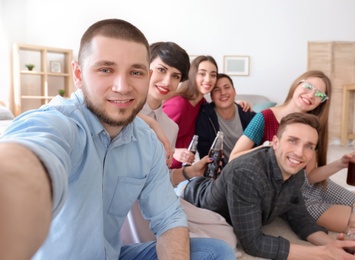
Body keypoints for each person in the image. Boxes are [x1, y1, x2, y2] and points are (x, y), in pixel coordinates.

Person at [0, 19, 235, 260]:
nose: (122, 87)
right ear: (79, 74)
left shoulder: (148, 141)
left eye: (135, 72)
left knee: (215, 250)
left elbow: (168, 218)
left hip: (112, 254)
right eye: (105, 70)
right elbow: (27, 160)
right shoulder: (58, 123)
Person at [182, 112, 355, 259]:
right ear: (275, 142)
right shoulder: (246, 173)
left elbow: (300, 217)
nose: (299, 153)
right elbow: (253, 244)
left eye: (309, 146)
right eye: (293, 141)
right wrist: (324, 255)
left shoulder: (296, 170)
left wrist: (335, 246)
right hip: (194, 197)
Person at [121, 41, 238, 255]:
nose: (167, 81)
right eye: (161, 70)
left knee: (225, 233)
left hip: (160, 196)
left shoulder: (170, 126)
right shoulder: (120, 111)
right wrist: (151, 123)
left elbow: (162, 177)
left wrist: (190, 171)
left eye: (175, 76)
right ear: (146, 68)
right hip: (126, 205)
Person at [230, 70, 355, 233]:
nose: (311, 95)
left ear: (321, 102)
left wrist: (341, 163)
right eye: (308, 86)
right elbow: (233, 158)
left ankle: (348, 197)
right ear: (297, 84)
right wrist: (268, 145)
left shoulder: (313, 126)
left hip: (314, 185)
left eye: (319, 94)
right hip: (293, 194)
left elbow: (310, 176)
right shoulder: (264, 117)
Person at [162, 56, 251, 169]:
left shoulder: (201, 104)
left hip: (183, 169)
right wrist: (175, 152)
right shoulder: (178, 105)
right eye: (202, 74)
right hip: (164, 167)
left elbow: (220, 105)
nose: (208, 79)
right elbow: (151, 139)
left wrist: (235, 103)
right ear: (193, 75)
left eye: (213, 75)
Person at [195, 73, 255, 165]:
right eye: (216, 90)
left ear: (234, 91)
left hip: (247, 169)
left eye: (227, 87)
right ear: (211, 97)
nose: (223, 93)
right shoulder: (205, 117)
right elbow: (205, 154)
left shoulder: (249, 116)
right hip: (219, 173)